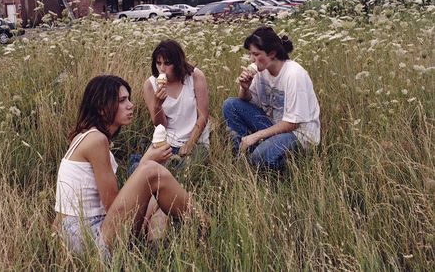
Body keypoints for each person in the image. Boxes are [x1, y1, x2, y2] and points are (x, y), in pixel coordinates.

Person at [54, 75, 198, 258]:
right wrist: (147, 161)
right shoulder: (96, 140)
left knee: (160, 200)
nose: (130, 105)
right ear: (101, 107)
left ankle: (156, 250)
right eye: (122, 100)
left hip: (72, 234)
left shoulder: (82, 136)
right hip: (88, 237)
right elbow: (113, 206)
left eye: (128, 99)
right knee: (152, 173)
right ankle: (203, 225)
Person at [222, 26, 320, 170]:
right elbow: (249, 101)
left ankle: (288, 167)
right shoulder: (262, 69)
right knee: (230, 105)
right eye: (250, 54)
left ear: (272, 53)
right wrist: (244, 88)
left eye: (256, 54)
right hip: (272, 125)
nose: (252, 59)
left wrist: (255, 136)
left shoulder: (293, 74)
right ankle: (242, 157)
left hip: (298, 134)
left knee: (260, 157)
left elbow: (292, 123)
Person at [142, 39, 210, 164]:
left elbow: (203, 115)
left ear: (178, 63)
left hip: (196, 141)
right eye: (158, 63)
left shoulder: (194, 76)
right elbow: (161, 125)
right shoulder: (150, 85)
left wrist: (190, 144)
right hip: (167, 141)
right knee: (148, 169)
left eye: (167, 63)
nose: (162, 69)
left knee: (187, 169)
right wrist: (157, 106)